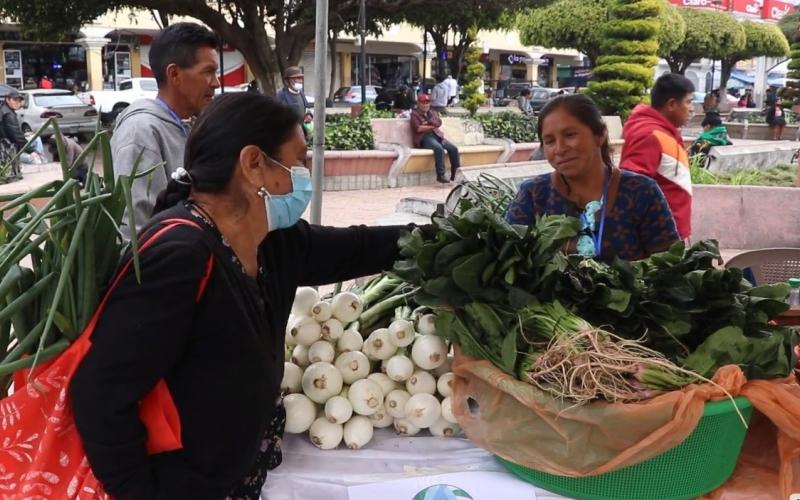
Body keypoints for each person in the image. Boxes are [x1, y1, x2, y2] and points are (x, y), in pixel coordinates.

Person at [70, 93, 416, 499]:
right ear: (254, 164)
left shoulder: (269, 241)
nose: (304, 174)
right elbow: (100, 395)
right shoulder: (182, 257)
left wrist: (436, 239)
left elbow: (354, 248)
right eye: (299, 160)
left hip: (234, 477)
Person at [506, 94, 680, 262]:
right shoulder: (533, 195)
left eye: (570, 135)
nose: (559, 149)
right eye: (549, 141)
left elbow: (669, 267)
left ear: (600, 135)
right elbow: (508, 259)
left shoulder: (641, 192)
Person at [112, 22, 220, 239]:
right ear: (175, 75)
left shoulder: (185, 125)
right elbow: (133, 229)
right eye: (208, 72)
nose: (216, 82)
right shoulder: (140, 132)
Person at [620, 72, 694, 240]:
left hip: (672, 232)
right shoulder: (650, 135)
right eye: (688, 102)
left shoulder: (665, 132)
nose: (691, 108)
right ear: (672, 104)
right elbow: (632, 187)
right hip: (659, 238)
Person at [410, 94, 461, 183]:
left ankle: (456, 175)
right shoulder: (414, 114)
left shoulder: (432, 113)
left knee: (453, 149)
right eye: (423, 103)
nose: (425, 105)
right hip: (424, 137)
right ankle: (441, 175)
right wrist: (431, 126)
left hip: (437, 136)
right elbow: (418, 128)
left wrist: (428, 125)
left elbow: (438, 123)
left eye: (427, 103)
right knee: (439, 149)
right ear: (418, 103)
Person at [0, 89, 31, 179]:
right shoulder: (8, 114)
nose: (17, 103)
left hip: (5, 146)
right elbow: (15, 135)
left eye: (19, 100)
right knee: (36, 148)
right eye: (14, 100)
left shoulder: (4, 109)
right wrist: (30, 149)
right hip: (6, 148)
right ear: (7, 100)